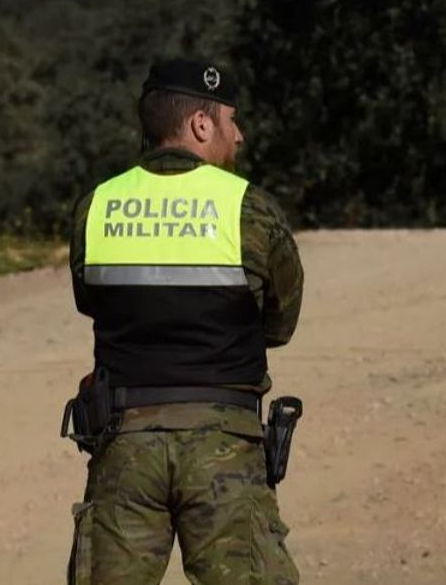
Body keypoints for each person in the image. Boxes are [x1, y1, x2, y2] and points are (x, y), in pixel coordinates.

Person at [64, 59, 304, 585]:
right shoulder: (250, 210)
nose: (238, 135)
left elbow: (92, 302)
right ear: (200, 125)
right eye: (231, 121)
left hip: (123, 444)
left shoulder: (96, 206)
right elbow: (279, 324)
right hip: (225, 446)